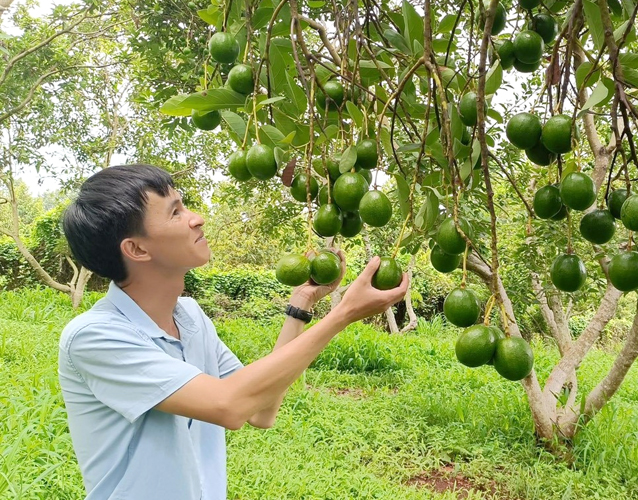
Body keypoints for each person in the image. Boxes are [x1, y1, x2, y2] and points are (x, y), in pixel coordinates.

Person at [58, 164, 408, 500]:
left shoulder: (191, 318)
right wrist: (343, 314)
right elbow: (231, 406)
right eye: (176, 212)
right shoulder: (95, 337)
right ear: (136, 248)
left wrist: (301, 303)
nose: (198, 218)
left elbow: (261, 411)